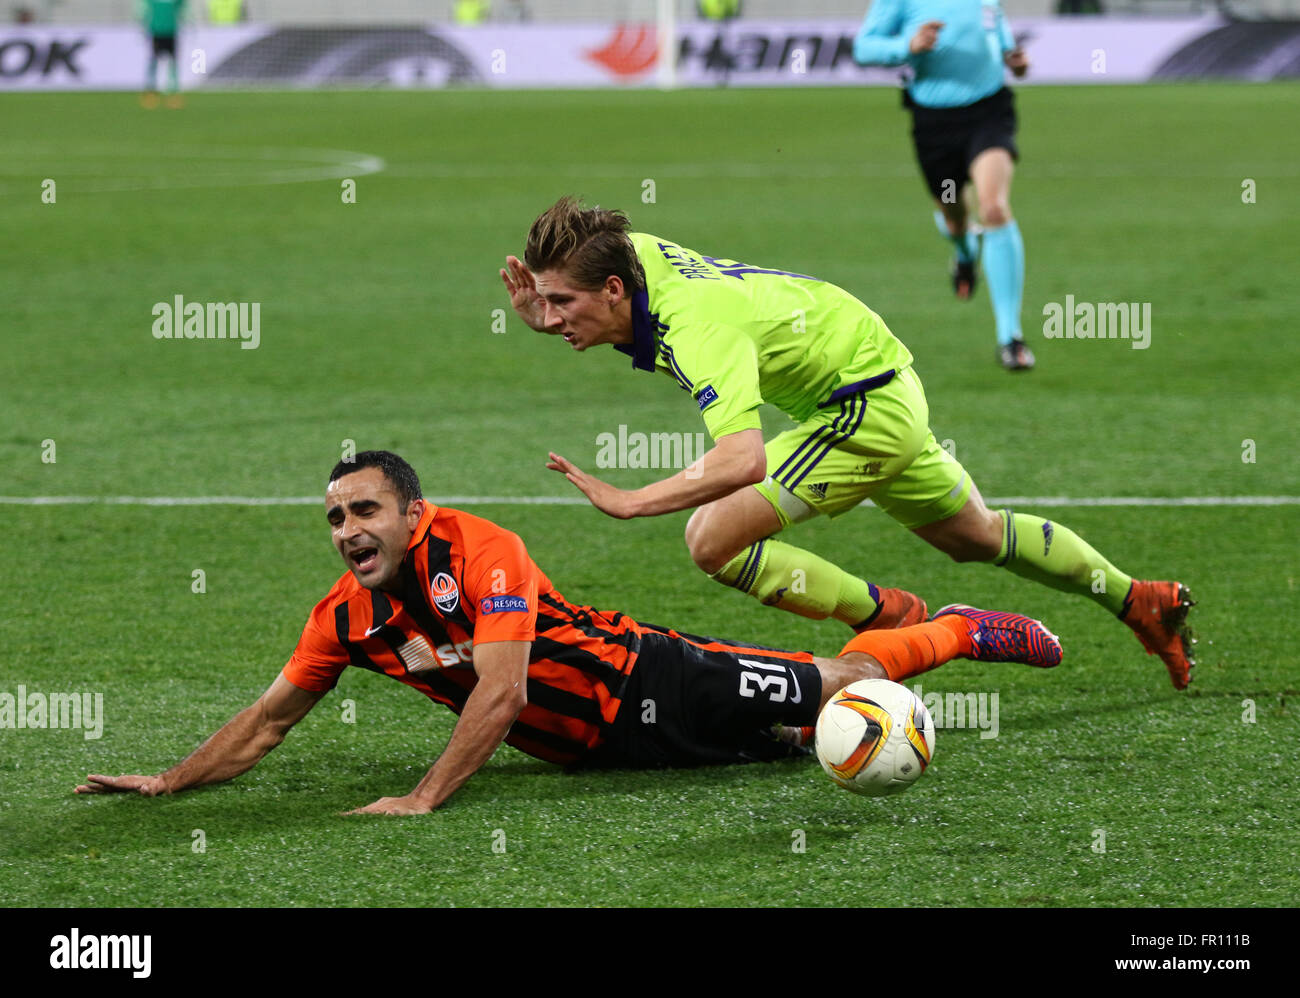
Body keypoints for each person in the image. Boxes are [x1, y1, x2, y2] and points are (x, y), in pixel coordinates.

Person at [74, 451, 1061, 814]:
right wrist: (168, 778)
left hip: (651, 677)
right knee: (786, 747)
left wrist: (424, 797)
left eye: (365, 510)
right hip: (591, 755)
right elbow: (268, 721)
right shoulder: (345, 619)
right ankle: (888, 662)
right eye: (334, 519)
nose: (348, 532)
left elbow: (499, 692)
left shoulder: (483, 549)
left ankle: (959, 629)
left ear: (414, 514)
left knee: (834, 680)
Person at [499, 198, 1195, 690]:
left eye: (563, 303)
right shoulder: (632, 257)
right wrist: (549, 307)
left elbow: (743, 458)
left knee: (710, 538)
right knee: (975, 537)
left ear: (615, 288)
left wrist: (633, 500)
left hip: (859, 410)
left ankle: (893, 615)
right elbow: (611, 286)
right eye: (548, 301)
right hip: (876, 378)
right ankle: (1140, 599)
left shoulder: (701, 332)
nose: (553, 317)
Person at [853, 0, 1033, 370]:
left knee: (994, 207)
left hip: (989, 114)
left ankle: (1010, 338)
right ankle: (965, 253)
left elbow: (998, 33)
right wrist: (907, 46)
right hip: (936, 127)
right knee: (953, 213)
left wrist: (1015, 60)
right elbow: (864, 47)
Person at [139, 0, 186, 108]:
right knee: (153, 62)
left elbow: (183, 7)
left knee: (173, 62)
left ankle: (173, 92)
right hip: (156, 30)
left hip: (171, 31)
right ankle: (151, 91)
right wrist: (142, 24)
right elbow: (144, 9)